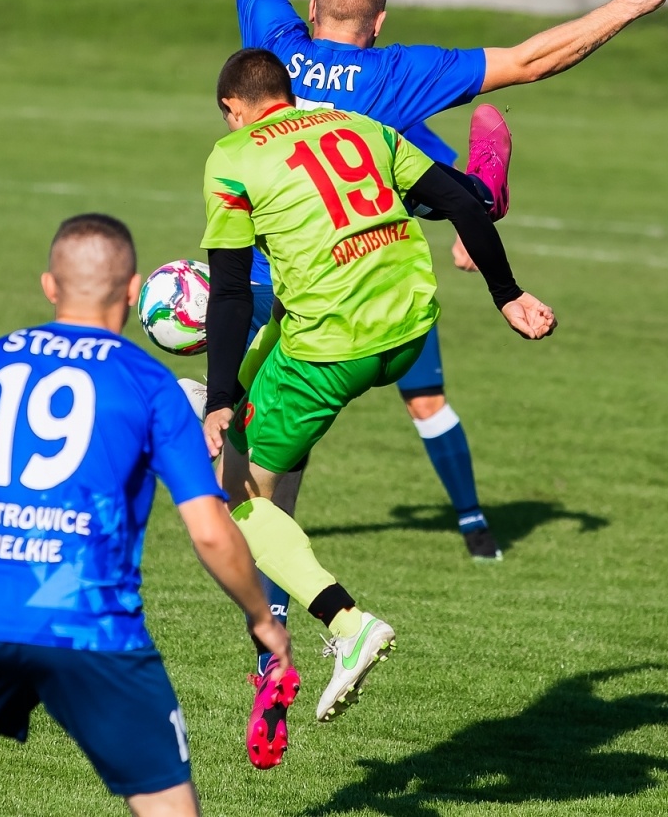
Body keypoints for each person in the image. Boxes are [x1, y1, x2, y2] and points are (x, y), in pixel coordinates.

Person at [229, 0, 667, 576]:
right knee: (397, 155)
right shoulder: (397, 71)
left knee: (253, 457)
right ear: (379, 24)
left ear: (310, 9)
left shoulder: (274, 48)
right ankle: (476, 196)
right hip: (377, 272)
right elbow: (530, 60)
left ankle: (279, 604)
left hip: (293, 279)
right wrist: (625, 5)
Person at [0, 213, 298, 817]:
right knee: (168, 808)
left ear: (49, 286)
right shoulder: (149, 384)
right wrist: (263, 619)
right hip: (90, 626)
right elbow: (211, 530)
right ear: (133, 292)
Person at [200, 48, 553, 748]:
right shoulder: (363, 127)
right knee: (281, 333)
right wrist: (507, 294)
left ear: (233, 108)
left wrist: (216, 398)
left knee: (233, 496)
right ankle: (227, 400)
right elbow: (461, 202)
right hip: (410, 330)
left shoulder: (232, 158)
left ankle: (344, 624)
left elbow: (232, 291)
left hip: (332, 352)